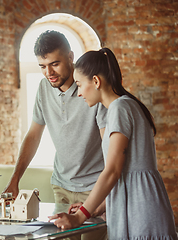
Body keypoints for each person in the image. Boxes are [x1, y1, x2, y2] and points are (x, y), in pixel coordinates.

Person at [48, 47, 177, 240]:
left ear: (96, 81)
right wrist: (94, 209)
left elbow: (113, 170)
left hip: (140, 210)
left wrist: (79, 217)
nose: (79, 93)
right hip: (136, 203)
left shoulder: (119, 108)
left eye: (80, 85)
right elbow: (124, 174)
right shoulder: (127, 105)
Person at [3, 30, 107, 239]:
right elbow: (33, 135)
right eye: (42, 66)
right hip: (61, 186)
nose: (48, 72)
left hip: (94, 188)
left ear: (70, 56)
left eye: (55, 64)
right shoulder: (44, 87)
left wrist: (109, 193)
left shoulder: (92, 87)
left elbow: (110, 146)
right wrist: (15, 179)